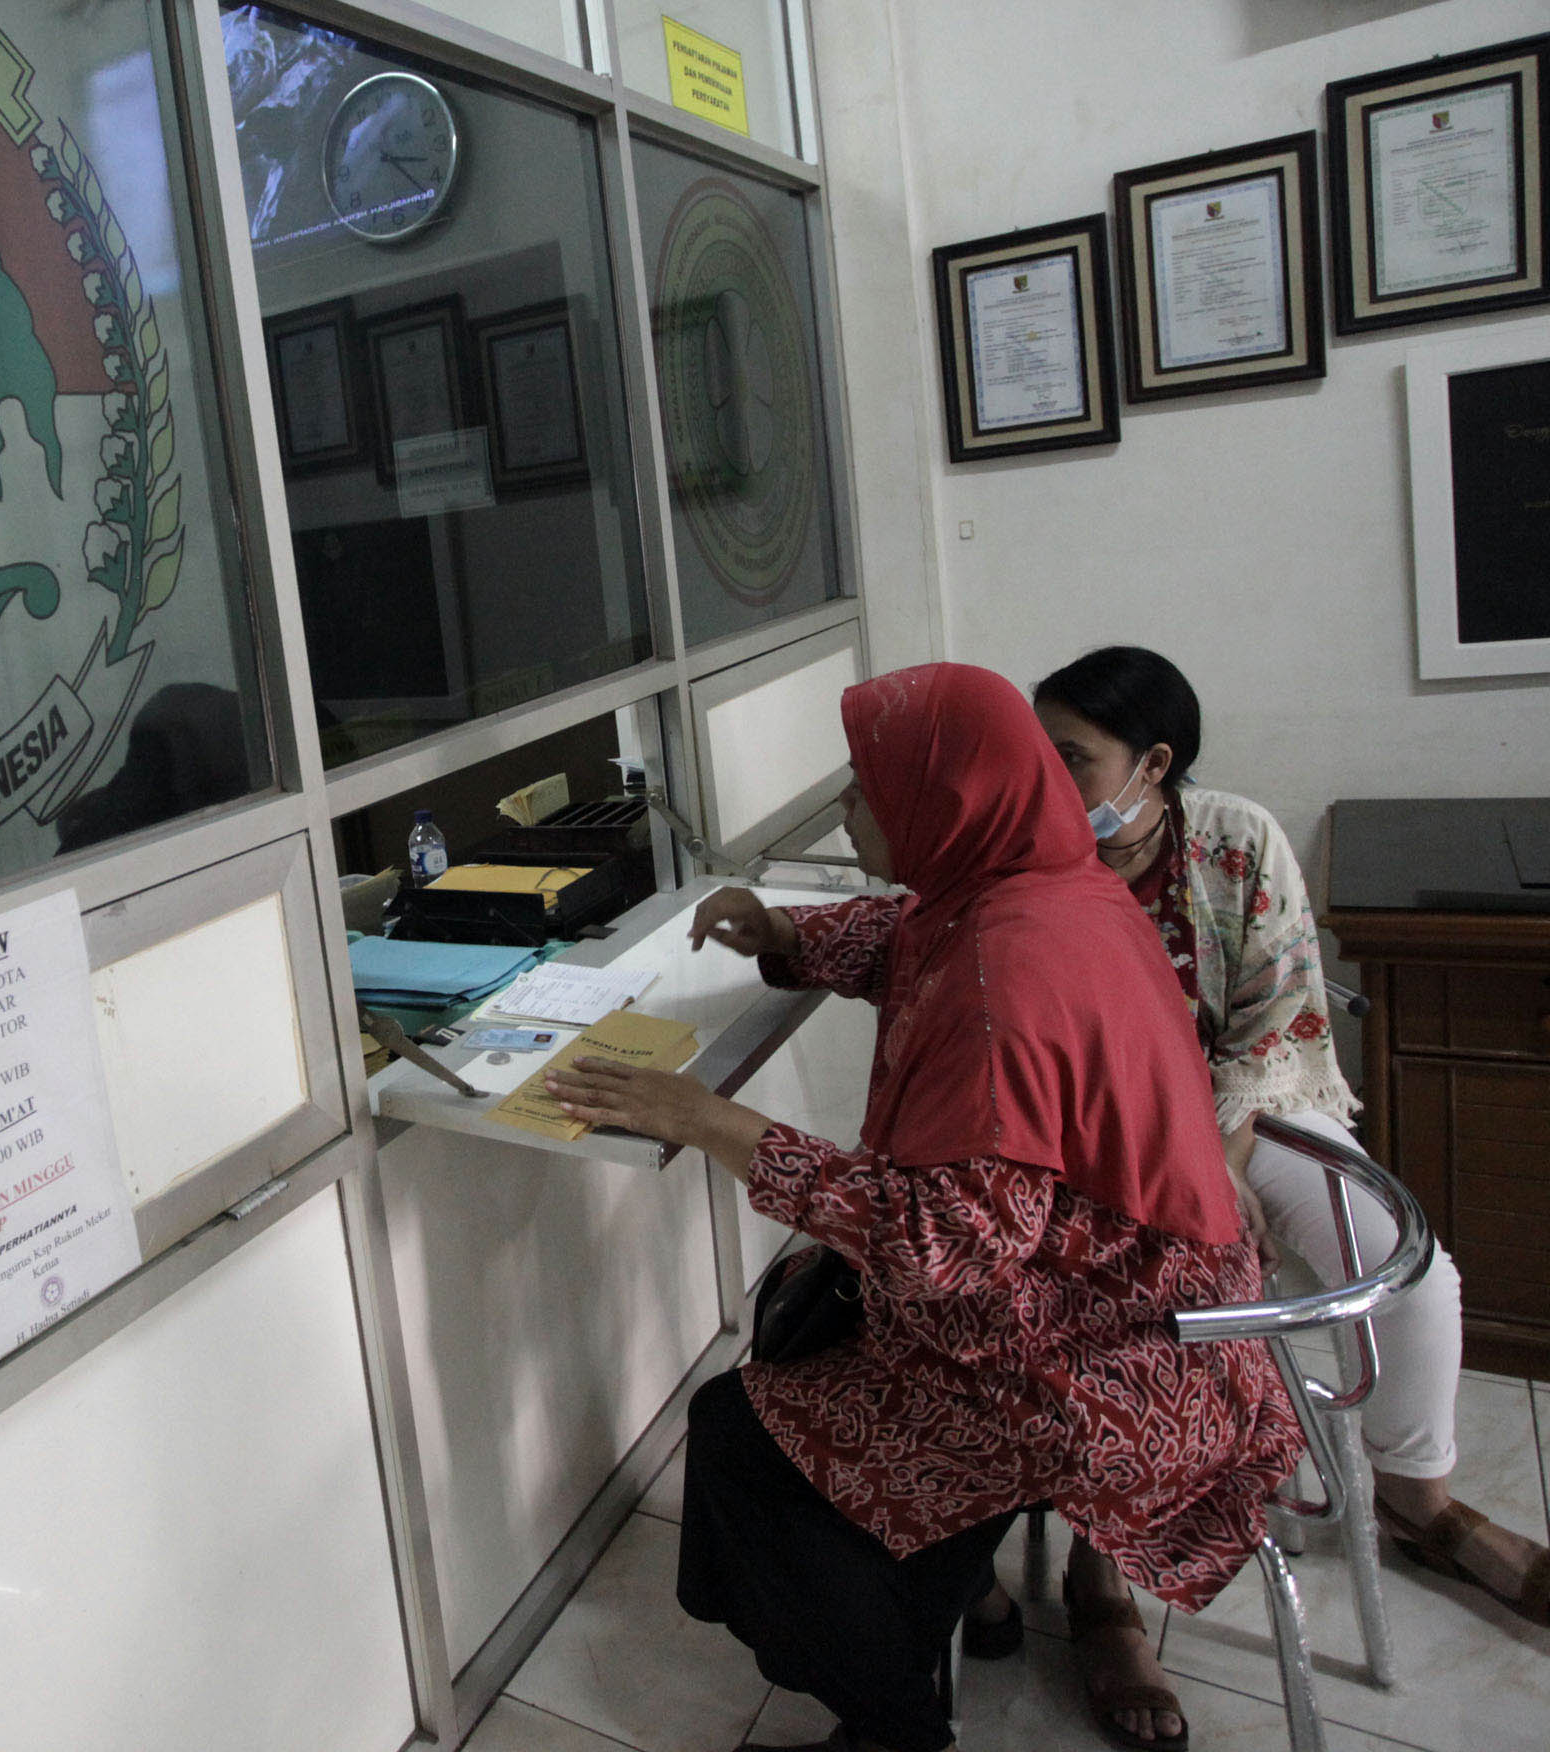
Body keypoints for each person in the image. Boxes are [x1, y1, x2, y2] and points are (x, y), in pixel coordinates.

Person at [546, 664, 1301, 1752]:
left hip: (1110, 1361)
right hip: (1129, 1297)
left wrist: (711, 1121)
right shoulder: (1041, 881)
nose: (852, 809)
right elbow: (908, 937)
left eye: (867, 786)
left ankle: (895, 1723)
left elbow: (945, 1240)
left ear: (947, 798)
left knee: (739, 1436)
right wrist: (783, 932)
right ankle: (942, 1606)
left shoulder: (1010, 969)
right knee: (810, 1318)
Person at [974, 645, 1550, 1745]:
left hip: (1246, 1108)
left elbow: (1277, 1021)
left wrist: (1218, 1159)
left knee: (1412, 1277)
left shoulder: (1236, 838)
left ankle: (1418, 1498)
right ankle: (1101, 1571)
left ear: (1154, 764)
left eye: (1071, 756)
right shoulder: (1023, 856)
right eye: (1040, 750)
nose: (1046, 774)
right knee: (1130, 1301)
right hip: (1089, 1134)